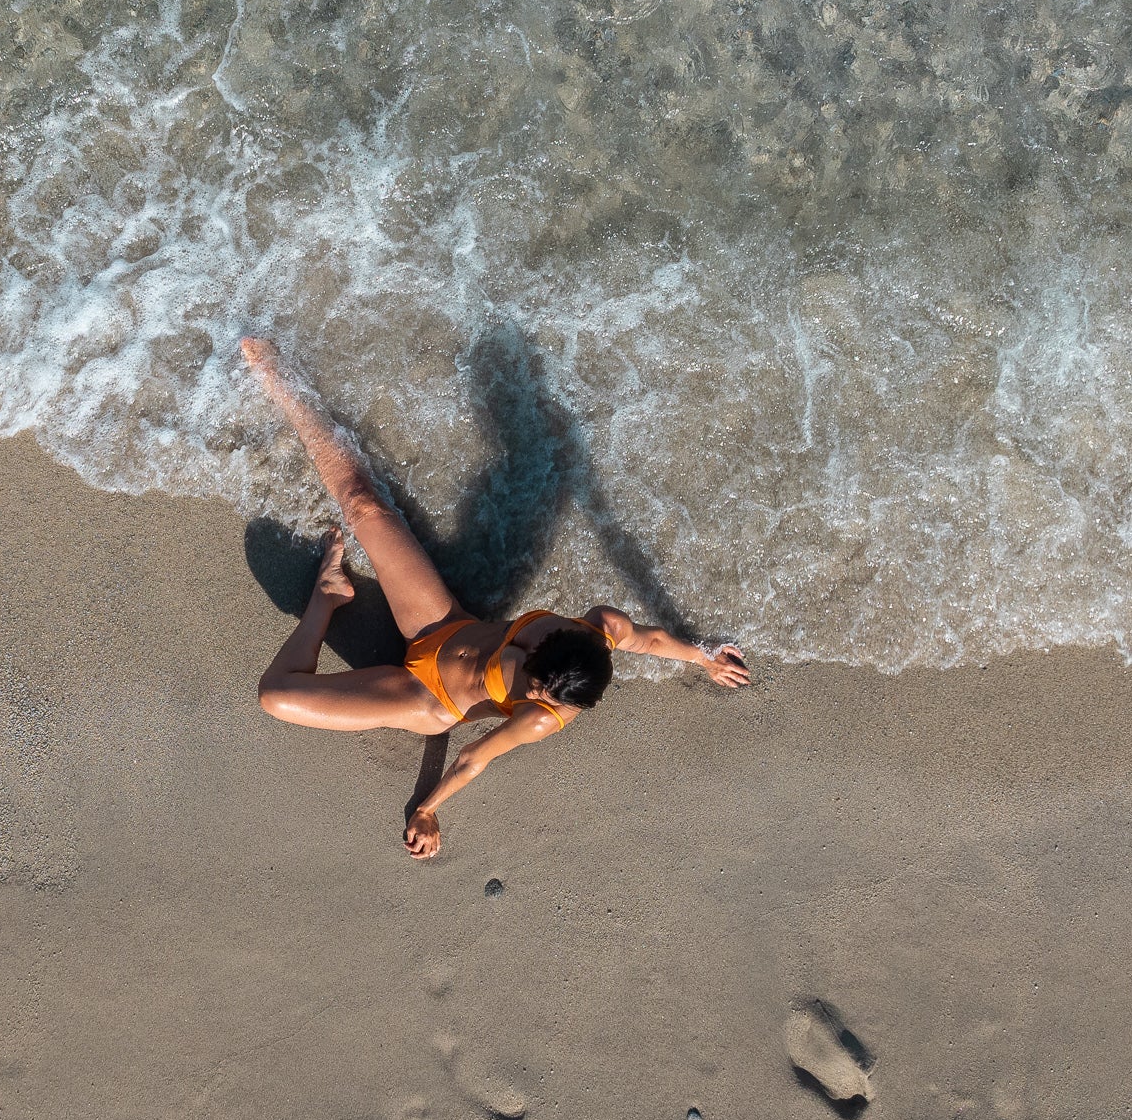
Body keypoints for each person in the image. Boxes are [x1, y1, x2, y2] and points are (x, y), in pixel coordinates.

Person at [242, 337, 751, 857]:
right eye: (536, 687)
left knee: (276, 696)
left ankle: (326, 598)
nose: (534, 701)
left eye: (546, 703)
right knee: (363, 503)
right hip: (440, 625)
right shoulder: (601, 625)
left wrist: (427, 809)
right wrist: (702, 655)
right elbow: (652, 639)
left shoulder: (541, 717)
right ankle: (281, 382)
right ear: (545, 643)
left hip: (426, 697)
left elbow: (474, 757)